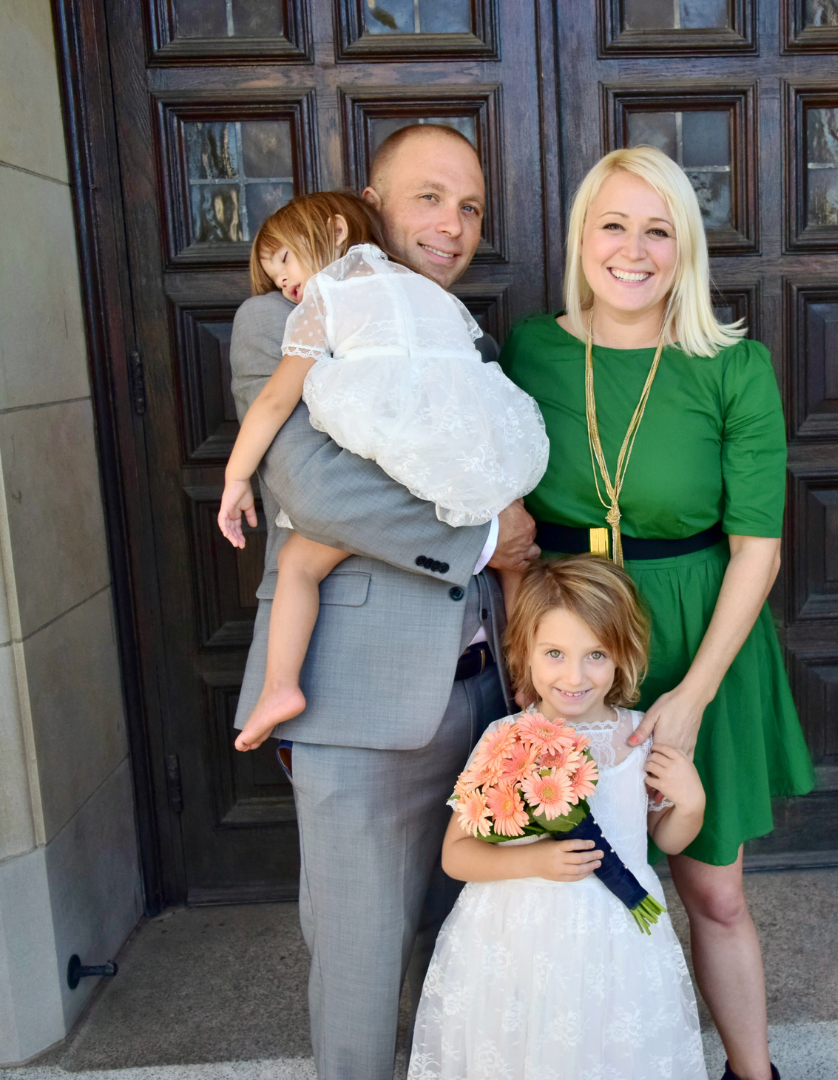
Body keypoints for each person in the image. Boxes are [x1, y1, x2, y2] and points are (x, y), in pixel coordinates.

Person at [227, 125, 539, 1080]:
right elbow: (318, 491)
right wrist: (490, 537)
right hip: (355, 708)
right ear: (370, 201)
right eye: (430, 197)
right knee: (360, 979)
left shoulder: (462, 332)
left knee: (468, 967)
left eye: (471, 206)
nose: (453, 226)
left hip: (482, 701)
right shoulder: (285, 317)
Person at [499, 145, 816, 1080]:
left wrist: (691, 698)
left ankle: (751, 1073)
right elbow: (511, 519)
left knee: (711, 889)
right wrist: (527, 666)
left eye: (658, 230)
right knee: (575, 882)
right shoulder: (531, 349)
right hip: (565, 650)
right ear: (581, 237)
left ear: (684, 250)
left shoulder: (733, 365)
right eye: (614, 224)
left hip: (695, 641)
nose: (632, 250)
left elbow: (758, 546)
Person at [218, 193, 547, 752]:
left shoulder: (327, 299)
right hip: (475, 445)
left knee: (299, 561)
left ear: (338, 230)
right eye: (276, 280)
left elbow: (274, 402)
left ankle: (280, 686)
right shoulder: (429, 295)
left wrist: (234, 480)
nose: (286, 287)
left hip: (402, 459)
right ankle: (531, 682)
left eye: (287, 264)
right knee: (517, 559)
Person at [408, 555, 709, 1079]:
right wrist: (537, 859)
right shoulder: (506, 740)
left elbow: (668, 839)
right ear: (525, 652)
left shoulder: (639, 739)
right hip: (518, 939)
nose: (574, 676)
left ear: (623, 655)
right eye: (554, 654)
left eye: (595, 654)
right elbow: (457, 856)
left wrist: (692, 803)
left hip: (615, 940)